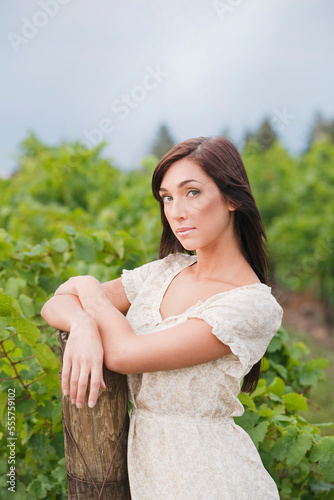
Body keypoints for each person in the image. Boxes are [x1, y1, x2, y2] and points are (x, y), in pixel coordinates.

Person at [41, 136, 283, 499]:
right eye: (167, 197)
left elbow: (124, 354)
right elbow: (55, 303)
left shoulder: (250, 306)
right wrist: (82, 324)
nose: (176, 212)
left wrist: (89, 291)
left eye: (192, 193)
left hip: (213, 480)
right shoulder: (166, 271)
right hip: (151, 475)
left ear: (233, 199)